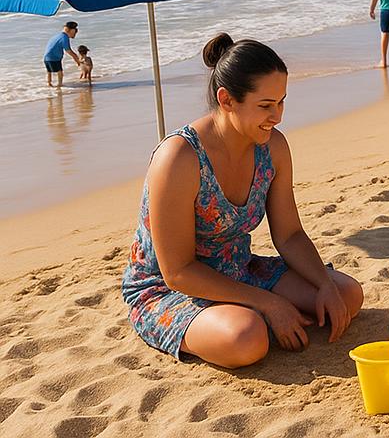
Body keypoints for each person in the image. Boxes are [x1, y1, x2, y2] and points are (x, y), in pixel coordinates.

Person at [122, 33, 363, 366]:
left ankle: (250, 313)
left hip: (239, 268)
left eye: (281, 102)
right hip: (171, 287)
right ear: (227, 99)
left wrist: (323, 282)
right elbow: (177, 272)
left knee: (346, 295)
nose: (277, 116)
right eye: (265, 105)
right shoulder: (179, 158)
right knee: (247, 339)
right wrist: (268, 303)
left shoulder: (273, 147)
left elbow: (290, 235)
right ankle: (247, 317)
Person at [44, 21, 81, 87]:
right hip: (54, 57)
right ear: (72, 31)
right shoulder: (64, 38)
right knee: (60, 72)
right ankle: (59, 84)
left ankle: (49, 83)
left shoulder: (57, 36)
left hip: (46, 57)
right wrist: (77, 60)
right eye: (74, 33)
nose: (74, 36)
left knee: (49, 71)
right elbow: (69, 51)